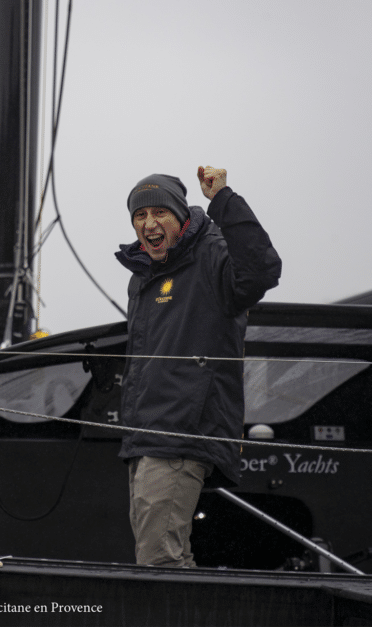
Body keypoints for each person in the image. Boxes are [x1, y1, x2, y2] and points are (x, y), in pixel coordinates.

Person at [114, 166, 281, 567]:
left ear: (181, 217)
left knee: (158, 560)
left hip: (182, 433)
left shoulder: (211, 253)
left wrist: (223, 200)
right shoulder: (143, 278)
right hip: (146, 435)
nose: (149, 224)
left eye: (160, 214)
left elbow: (261, 271)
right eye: (140, 216)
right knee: (167, 557)